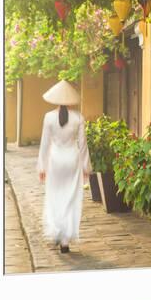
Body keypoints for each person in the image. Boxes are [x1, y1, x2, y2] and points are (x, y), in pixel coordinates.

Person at [36, 80, 92, 253]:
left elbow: (45, 144)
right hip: (72, 161)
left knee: (55, 197)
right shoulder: (78, 118)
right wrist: (86, 167)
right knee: (71, 199)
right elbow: (83, 145)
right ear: (70, 100)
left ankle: (56, 231)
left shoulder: (48, 117)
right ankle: (65, 241)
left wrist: (42, 166)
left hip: (55, 161)